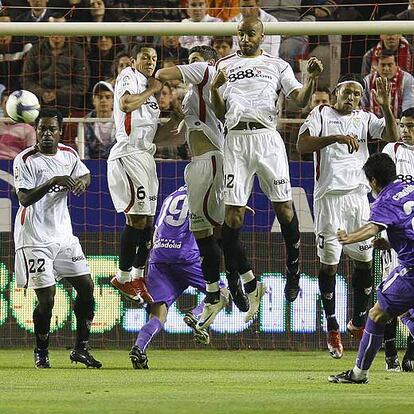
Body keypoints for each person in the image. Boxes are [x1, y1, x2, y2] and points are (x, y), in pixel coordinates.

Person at [212, 17, 323, 306]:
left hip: (267, 139)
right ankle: (233, 274)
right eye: (241, 34)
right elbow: (220, 111)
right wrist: (214, 90)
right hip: (235, 140)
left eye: (250, 34)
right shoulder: (223, 65)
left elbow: (299, 100)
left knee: (285, 209)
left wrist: (311, 80)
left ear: (262, 36)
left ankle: (294, 269)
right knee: (233, 217)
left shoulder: (278, 65)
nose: (245, 38)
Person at [297, 74, 398, 359]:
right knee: (329, 265)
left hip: (358, 199)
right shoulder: (320, 113)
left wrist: (387, 107)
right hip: (329, 199)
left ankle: (357, 320)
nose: (352, 98)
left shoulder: (365, 118)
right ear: (335, 93)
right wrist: (335, 138)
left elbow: (392, 138)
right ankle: (332, 327)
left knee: (365, 263)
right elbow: (302, 146)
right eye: (347, 92)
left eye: (357, 94)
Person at [156, 45, 254, 329]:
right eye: (190, 62)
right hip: (200, 163)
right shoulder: (191, 97)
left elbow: (164, 73)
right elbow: (179, 135)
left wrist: (147, 76)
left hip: (211, 161)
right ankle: (228, 284)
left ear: (210, 63)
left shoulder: (207, 72)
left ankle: (232, 284)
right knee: (215, 233)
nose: (192, 65)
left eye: (195, 60)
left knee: (211, 233)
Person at [13, 108, 101, 369]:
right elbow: (24, 198)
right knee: (47, 297)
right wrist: (52, 181)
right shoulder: (26, 159)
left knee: (86, 286)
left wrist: (83, 181)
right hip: (34, 237)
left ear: (60, 131)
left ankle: (81, 350)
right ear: (36, 131)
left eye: (52, 129)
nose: (47, 134)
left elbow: (84, 173)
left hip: (64, 236)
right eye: (42, 129)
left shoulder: (69, 154)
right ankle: (41, 351)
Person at [328, 153, 414, 384]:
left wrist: (349, 237)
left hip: (412, 270)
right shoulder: (409, 185)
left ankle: (359, 374)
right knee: (401, 309)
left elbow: (373, 227)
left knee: (376, 315)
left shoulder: (384, 200)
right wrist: (392, 241)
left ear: (373, 181)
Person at [130, 186, 228, 369]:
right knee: (222, 293)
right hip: (187, 257)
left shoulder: (171, 195)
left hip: (159, 257)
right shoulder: (205, 193)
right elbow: (217, 227)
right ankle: (197, 315)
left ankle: (139, 348)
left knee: (157, 315)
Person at [107, 45, 163, 304]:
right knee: (137, 220)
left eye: (153, 58)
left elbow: (153, 131)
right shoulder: (129, 77)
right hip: (128, 154)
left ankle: (139, 276)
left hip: (146, 157)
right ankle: (122, 276)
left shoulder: (150, 92)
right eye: (145, 57)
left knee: (149, 222)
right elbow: (126, 104)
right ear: (134, 60)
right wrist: (153, 88)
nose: (150, 61)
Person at [380, 107, 414, 372]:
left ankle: (411, 353)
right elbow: (381, 190)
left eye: (411, 126)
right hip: (394, 234)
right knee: (388, 291)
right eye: (403, 125)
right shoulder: (393, 151)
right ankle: (390, 351)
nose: (406, 130)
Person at [22, 15, 89, 116]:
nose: (56, 32)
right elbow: (26, 79)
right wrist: (42, 93)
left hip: (67, 102)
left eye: (60, 28)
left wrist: (57, 94)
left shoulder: (77, 52)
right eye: (53, 27)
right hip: (39, 100)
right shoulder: (35, 50)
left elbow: (81, 85)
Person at [362, 50, 414, 118]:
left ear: (396, 65)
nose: (386, 69)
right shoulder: (368, 80)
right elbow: (363, 105)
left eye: (390, 65)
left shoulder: (407, 79)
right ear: (377, 66)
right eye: (383, 65)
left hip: (399, 123)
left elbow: (409, 106)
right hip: (373, 124)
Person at [0, 89, 36, 160]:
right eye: (6, 103)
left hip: (11, 164)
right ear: (1, 104)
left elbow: (31, 155)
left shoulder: (28, 130)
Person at [84, 81, 115, 159]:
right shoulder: (86, 122)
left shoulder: (121, 119)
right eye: (100, 97)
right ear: (93, 101)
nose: (103, 100)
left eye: (107, 97)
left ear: (113, 101)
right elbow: (85, 151)